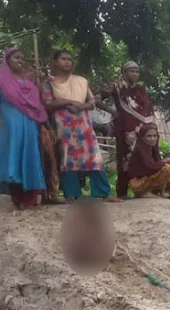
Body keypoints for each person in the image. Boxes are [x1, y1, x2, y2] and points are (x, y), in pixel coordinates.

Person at [43, 50, 117, 201]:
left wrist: (79, 107)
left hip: (84, 125)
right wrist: (69, 102)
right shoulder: (49, 83)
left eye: (70, 59)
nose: (67, 62)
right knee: (67, 158)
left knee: (94, 156)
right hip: (63, 126)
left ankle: (103, 192)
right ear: (55, 62)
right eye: (63, 59)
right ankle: (72, 195)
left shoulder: (81, 81)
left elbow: (91, 102)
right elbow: (48, 103)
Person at [0, 48, 48, 210]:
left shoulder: (29, 83)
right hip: (8, 128)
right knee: (13, 160)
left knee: (30, 159)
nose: (20, 61)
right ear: (7, 60)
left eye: (22, 58)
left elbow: (37, 105)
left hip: (29, 126)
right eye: (16, 57)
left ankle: (30, 199)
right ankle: (17, 198)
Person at [103, 61, 155, 199]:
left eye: (137, 71)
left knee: (143, 159)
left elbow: (148, 110)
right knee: (125, 160)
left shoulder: (141, 89)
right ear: (124, 73)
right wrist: (112, 112)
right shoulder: (117, 87)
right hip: (125, 129)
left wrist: (149, 126)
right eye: (131, 71)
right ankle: (122, 192)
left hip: (142, 130)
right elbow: (95, 99)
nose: (135, 74)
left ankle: (142, 190)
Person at [127, 124, 170, 198]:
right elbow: (151, 166)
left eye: (154, 136)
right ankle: (144, 193)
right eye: (149, 136)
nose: (153, 138)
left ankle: (160, 192)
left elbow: (157, 164)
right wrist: (165, 161)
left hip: (148, 179)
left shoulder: (152, 148)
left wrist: (166, 162)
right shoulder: (141, 149)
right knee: (167, 168)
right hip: (138, 183)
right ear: (143, 137)